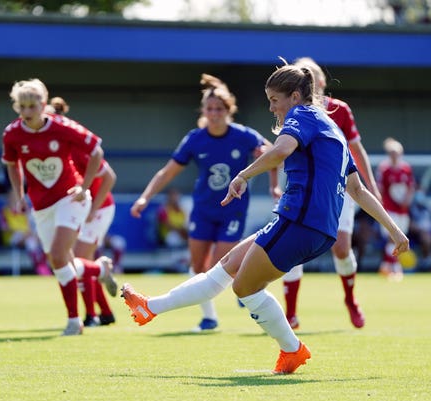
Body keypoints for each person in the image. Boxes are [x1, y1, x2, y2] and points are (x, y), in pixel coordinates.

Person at [121, 61, 409, 374]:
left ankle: (292, 350)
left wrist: (243, 175)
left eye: (274, 100)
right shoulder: (332, 129)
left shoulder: (303, 115)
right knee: (225, 270)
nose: (271, 108)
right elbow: (358, 190)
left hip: (301, 222)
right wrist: (395, 230)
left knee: (244, 287)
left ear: (295, 97)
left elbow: (282, 149)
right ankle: (150, 307)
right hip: (306, 224)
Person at [130, 73, 278, 332]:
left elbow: (275, 154)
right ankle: (210, 318)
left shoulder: (244, 136)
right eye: (209, 109)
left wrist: (274, 184)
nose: (214, 113)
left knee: (218, 268)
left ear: (228, 110)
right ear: (203, 111)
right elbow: (167, 172)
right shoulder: (195, 138)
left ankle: (249, 286)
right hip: (203, 210)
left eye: (219, 109)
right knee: (198, 267)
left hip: (232, 210)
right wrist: (146, 197)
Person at [1, 79, 118, 336]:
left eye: (32, 106)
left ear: (43, 105)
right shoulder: (12, 134)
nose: (27, 111)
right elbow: (12, 164)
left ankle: (77, 321)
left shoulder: (63, 129)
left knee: (58, 254)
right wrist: (19, 194)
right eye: (22, 106)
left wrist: (84, 188)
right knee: (61, 262)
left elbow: (98, 153)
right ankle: (99, 270)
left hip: (71, 198)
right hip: (41, 206)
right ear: (16, 107)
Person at [281, 57, 383, 330]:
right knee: (291, 245)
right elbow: (284, 148)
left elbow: (356, 150)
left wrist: (369, 184)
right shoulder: (293, 111)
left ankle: (350, 299)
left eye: (311, 77)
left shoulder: (339, 109)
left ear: (321, 82)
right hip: (305, 188)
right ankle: (290, 313)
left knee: (340, 247)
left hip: (339, 187)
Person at [50, 95, 118, 326]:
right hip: (80, 207)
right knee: (77, 262)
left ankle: (92, 315)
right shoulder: (52, 150)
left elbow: (109, 177)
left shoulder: (77, 148)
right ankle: (104, 313)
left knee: (77, 260)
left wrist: (92, 209)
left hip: (98, 207)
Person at [377, 137, 415, 281]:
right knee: (391, 239)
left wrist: (407, 199)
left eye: (397, 153)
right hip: (389, 210)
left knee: (400, 240)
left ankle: (386, 266)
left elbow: (411, 187)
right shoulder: (384, 169)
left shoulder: (406, 169)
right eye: (392, 153)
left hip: (402, 211)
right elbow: (379, 189)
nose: (394, 156)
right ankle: (396, 268)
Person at [0, 190, 51, 276]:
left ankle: (43, 263)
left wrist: (31, 233)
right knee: (30, 241)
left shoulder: (24, 211)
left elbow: (31, 224)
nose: (14, 199)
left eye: (16, 197)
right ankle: (39, 266)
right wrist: (23, 233)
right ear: (8, 199)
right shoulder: (4, 211)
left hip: (26, 235)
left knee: (42, 238)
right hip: (11, 237)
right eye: (12, 197)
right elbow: (4, 229)